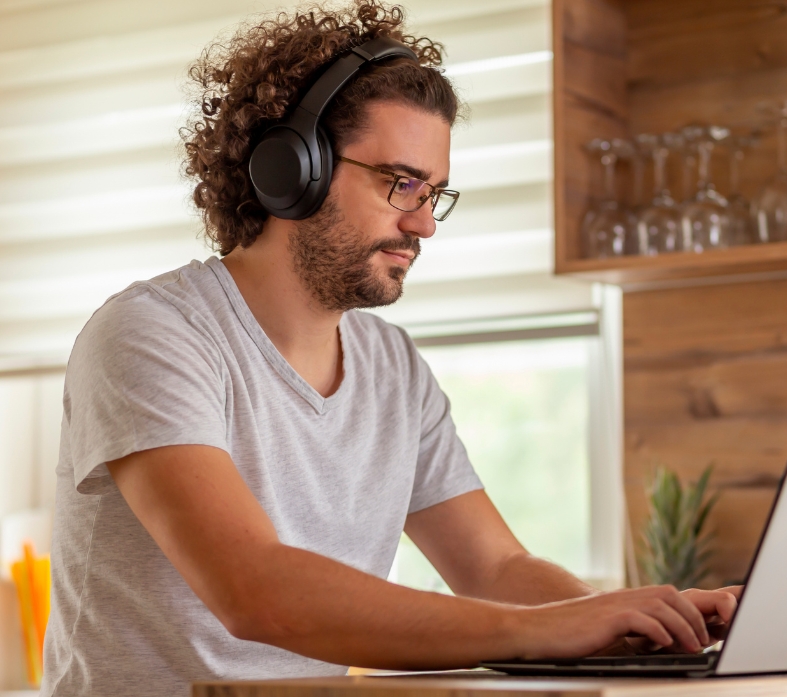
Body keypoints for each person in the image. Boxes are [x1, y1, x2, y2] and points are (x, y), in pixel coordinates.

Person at [40, 3, 739, 696]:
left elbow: (495, 567)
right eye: (400, 182)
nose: (425, 223)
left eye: (435, 192)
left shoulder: (392, 367)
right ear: (292, 169)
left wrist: (637, 623)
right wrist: (545, 630)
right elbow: (252, 586)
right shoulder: (152, 333)